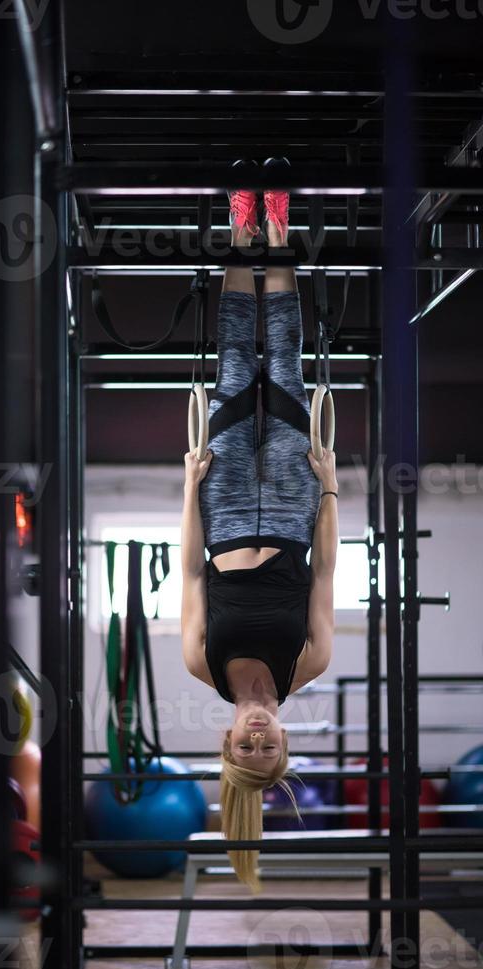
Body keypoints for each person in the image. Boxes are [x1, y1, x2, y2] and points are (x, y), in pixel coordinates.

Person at [180, 160, 339, 892]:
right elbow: (327, 572)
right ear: (283, 742)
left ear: (226, 741)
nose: (257, 737)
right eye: (268, 748)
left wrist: (189, 487)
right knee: (286, 366)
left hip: (222, 508)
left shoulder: (200, 664)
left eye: (245, 749)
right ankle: (277, 229)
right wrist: (330, 489)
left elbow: (188, 573)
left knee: (236, 368)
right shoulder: (307, 665)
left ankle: (240, 227)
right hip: (290, 508)